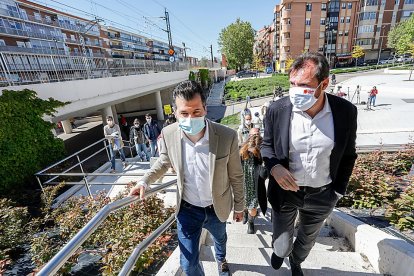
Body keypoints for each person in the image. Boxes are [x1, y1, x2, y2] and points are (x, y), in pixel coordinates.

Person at [128, 80, 244, 276]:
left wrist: (240, 206)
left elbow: (236, 175)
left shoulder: (227, 136)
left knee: (220, 238)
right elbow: (163, 162)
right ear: (175, 112)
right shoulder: (168, 133)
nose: (190, 118)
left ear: (205, 109)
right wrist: (144, 181)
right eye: (184, 113)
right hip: (188, 210)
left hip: (217, 208)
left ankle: (221, 258)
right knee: (189, 266)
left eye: (196, 112)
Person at [261, 52, 357, 275]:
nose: (295, 91)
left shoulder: (345, 112)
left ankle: (296, 261)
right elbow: (267, 146)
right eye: (292, 84)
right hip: (285, 194)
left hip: (323, 195)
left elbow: (348, 155)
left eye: (303, 85)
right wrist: (275, 168)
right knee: (281, 245)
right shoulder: (277, 110)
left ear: (323, 84)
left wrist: (338, 192)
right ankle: (282, 251)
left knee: (306, 241)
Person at [240, 128, 268, 234]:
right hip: (244, 181)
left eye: (257, 134)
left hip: (255, 182)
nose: (255, 136)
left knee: (253, 206)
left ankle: (251, 222)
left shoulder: (263, 147)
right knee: (243, 203)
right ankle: (245, 213)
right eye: (253, 134)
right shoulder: (243, 146)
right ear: (249, 135)